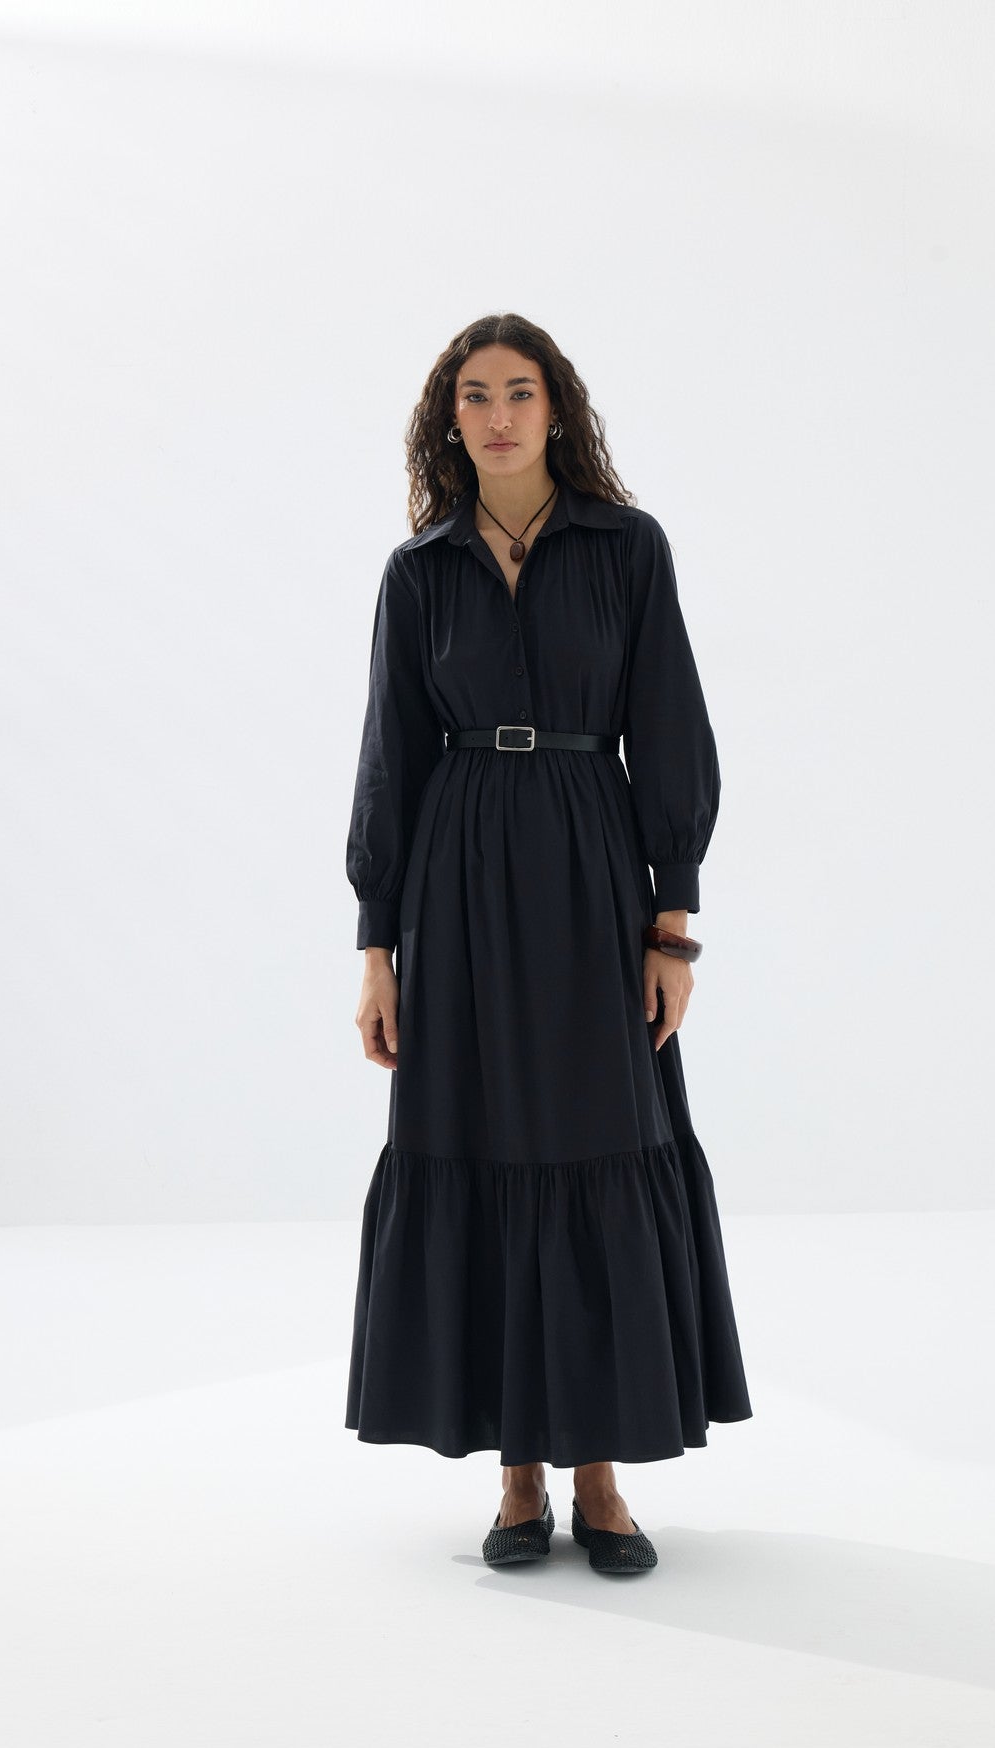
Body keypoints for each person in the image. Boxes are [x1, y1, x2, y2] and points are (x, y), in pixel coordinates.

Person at [345, 313, 752, 1575]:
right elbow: (390, 758)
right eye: (475, 395)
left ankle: (600, 1472)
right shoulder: (420, 571)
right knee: (478, 1139)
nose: (499, 415)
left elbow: (668, 725)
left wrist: (672, 922)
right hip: (458, 879)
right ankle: (519, 1472)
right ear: (450, 420)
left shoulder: (627, 548)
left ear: (556, 408)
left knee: (596, 1139)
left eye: (520, 391)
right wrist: (377, 945)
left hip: (589, 867)